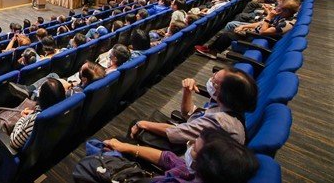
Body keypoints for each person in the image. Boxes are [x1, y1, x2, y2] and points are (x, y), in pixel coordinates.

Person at [127, 67, 257, 148]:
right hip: (190, 141)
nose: (210, 80)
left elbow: (176, 132)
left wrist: (142, 124)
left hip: (188, 159)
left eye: (214, 81)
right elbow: (189, 113)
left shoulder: (220, 121)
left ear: (223, 93)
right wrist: (187, 91)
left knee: (136, 124)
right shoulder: (228, 107)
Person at [102, 128, 259, 183]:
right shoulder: (193, 174)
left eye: (194, 148)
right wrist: (126, 147)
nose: (190, 146)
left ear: (205, 166)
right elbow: (167, 158)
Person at [195, 0, 300, 58]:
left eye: (279, 7)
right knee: (231, 30)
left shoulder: (287, 23)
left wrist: (269, 16)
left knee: (227, 35)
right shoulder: (280, 16)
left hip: (259, 40)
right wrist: (244, 26)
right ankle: (211, 48)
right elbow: (261, 23)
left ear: (286, 11)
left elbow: (263, 32)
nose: (276, 8)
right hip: (255, 34)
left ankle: (213, 52)